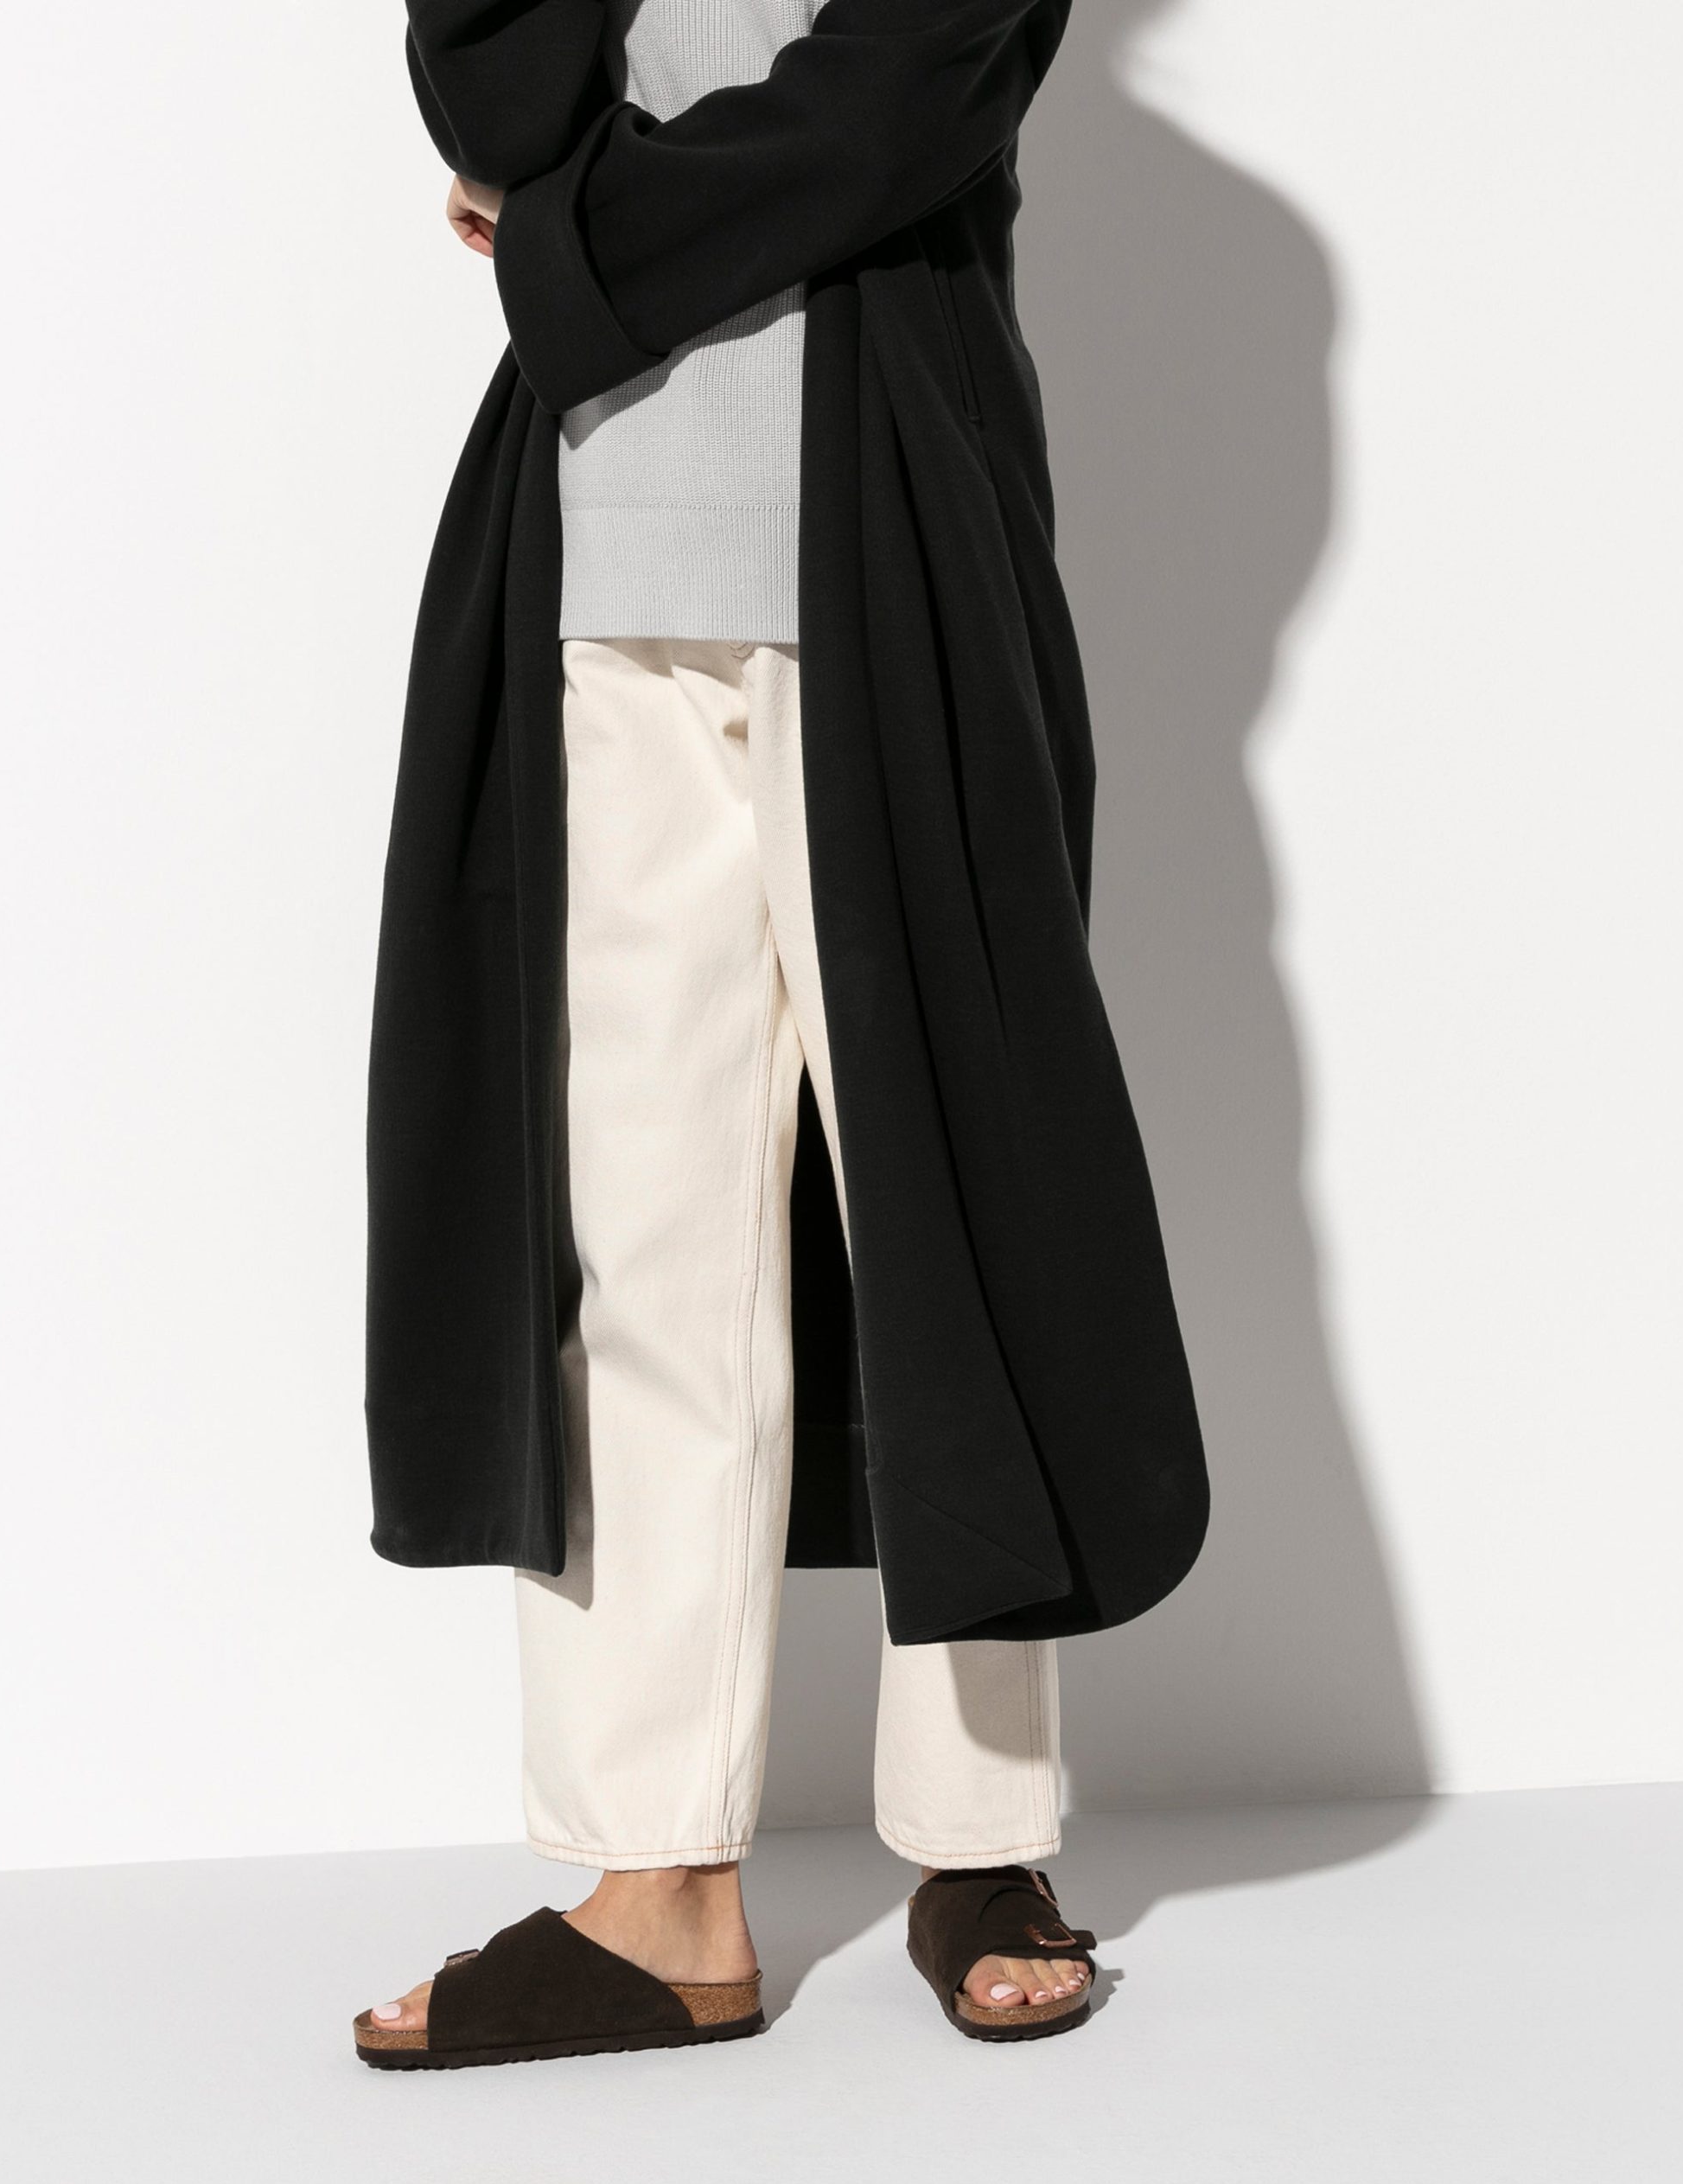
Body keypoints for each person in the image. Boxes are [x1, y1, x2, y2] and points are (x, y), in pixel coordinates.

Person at [354, 0, 1210, 2067]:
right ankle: (652, 1881)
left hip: (891, 565)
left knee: (945, 1206)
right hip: (593, 576)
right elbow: (493, 86)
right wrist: (570, 200)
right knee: (629, 1244)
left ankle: (979, 1838)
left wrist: (565, 240)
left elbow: (876, 119)